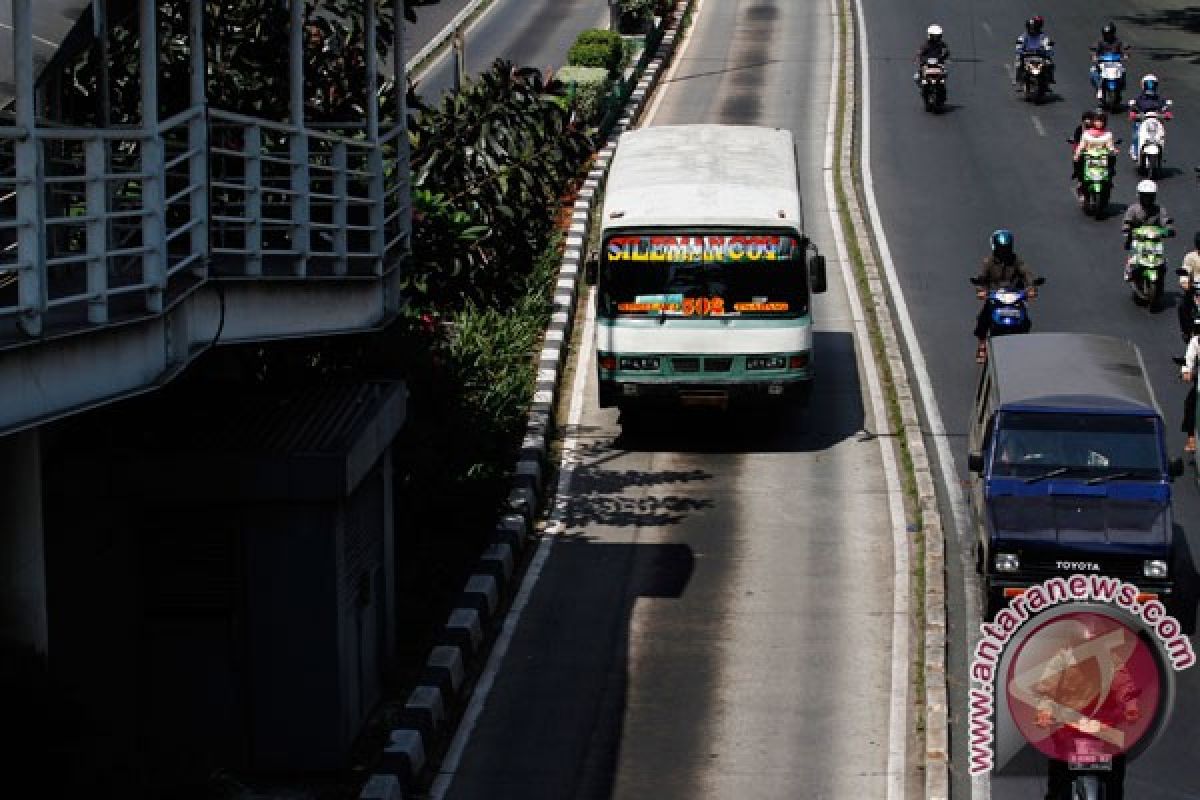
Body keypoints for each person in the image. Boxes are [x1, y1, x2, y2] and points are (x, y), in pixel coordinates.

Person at [1031, 619, 1139, 800]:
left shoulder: (1111, 659)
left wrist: (1131, 708)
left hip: (1104, 724)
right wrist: (1043, 712)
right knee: (1059, 772)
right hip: (1069, 723)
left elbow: (1125, 687)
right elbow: (1045, 690)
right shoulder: (1062, 659)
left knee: (1115, 770)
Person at [973, 229, 1037, 362]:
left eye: (1006, 248)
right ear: (995, 247)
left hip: (1015, 295)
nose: (1003, 251)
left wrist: (1031, 287)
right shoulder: (988, 262)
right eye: (1001, 248)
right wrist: (981, 290)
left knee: (1026, 320)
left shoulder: (1016, 260)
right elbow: (981, 279)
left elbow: (1027, 273)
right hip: (995, 296)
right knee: (983, 318)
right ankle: (982, 345)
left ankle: (1024, 343)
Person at [1121, 180, 1172, 281]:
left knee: (1163, 261)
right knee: (1133, 257)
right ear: (1139, 195)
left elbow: (1165, 220)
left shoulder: (1159, 209)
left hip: (1154, 240)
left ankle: (1160, 273)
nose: (1147, 199)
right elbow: (1127, 221)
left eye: (1150, 196)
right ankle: (1129, 269)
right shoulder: (1133, 209)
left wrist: (1169, 228)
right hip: (1138, 239)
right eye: (1145, 196)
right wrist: (1127, 228)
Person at [1073, 110, 1117, 196]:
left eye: (1101, 121)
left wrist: (1113, 150)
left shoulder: (1108, 134)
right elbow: (1081, 145)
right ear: (1093, 121)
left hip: (1102, 158)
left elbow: (1110, 145)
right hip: (1088, 157)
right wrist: (1077, 154)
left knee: (1112, 158)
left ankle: (1110, 177)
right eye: (1097, 120)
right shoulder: (1086, 134)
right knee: (1077, 161)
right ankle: (1080, 181)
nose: (1099, 123)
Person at [1013, 16, 1055, 89]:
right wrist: (1019, 49)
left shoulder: (1043, 36)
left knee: (1050, 64)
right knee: (1018, 63)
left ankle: (1049, 79)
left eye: (1034, 27)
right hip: (1027, 55)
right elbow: (1019, 43)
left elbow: (1047, 44)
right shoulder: (1024, 36)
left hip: (1040, 55)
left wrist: (1048, 49)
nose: (1033, 29)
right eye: (1031, 27)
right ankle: (1017, 79)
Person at [1091, 21, 1129, 99]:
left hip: (1115, 64)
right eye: (1106, 34)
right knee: (1093, 71)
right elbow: (1094, 50)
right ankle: (1099, 88)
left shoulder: (1118, 42)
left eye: (1109, 34)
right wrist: (1094, 56)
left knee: (1123, 71)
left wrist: (1125, 55)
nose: (1108, 36)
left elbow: (1124, 48)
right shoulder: (1100, 42)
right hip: (1103, 64)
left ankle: (1121, 87)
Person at [1181, 320, 1200, 452]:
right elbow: (1189, 358)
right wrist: (1187, 370)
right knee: (1189, 405)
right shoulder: (1195, 342)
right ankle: (1192, 438)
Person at [1178, 232, 1200, 340]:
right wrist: (1185, 282)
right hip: (1194, 290)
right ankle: (1186, 331)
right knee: (1182, 308)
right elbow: (1185, 270)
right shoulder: (1190, 257)